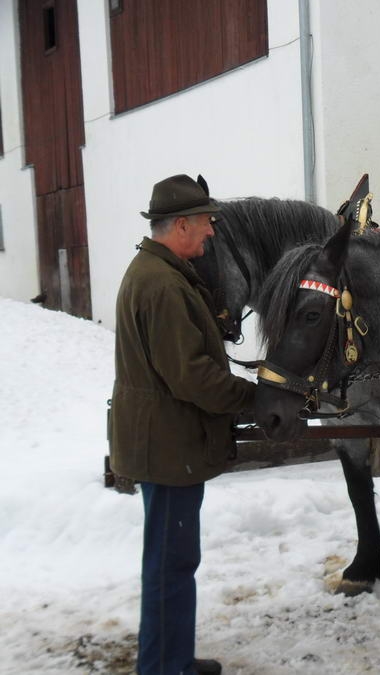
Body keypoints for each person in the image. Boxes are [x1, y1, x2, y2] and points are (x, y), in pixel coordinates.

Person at [110, 174, 256, 675]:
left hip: (167, 440)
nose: (211, 231)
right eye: (207, 222)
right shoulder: (162, 284)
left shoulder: (161, 272)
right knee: (169, 567)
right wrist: (252, 398)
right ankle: (163, 668)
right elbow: (191, 376)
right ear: (181, 225)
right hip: (168, 447)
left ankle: (172, 660)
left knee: (173, 563)